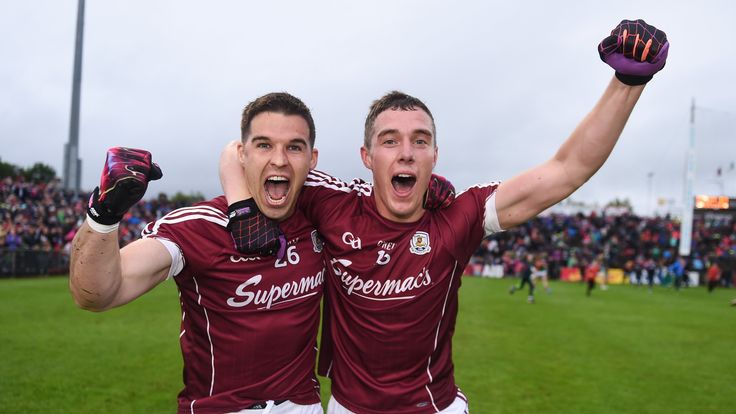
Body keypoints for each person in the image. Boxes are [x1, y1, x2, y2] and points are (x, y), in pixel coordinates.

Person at [222, 19, 669, 413]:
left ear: (435, 155)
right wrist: (242, 208)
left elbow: (565, 171)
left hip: (433, 407)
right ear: (366, 155)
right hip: (347, 407)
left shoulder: (460, 215)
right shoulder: (330, 201)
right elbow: (236, 152)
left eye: (420, 141)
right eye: (390, 140)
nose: (406, 153)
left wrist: (626, 83)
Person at [69, 93, 327, 414]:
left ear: (312, 158)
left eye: (294, 146)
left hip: (305, 406)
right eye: (263, 145)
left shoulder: (323, 218)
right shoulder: (196, 226)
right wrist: (105, 214)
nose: (279, 160)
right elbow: (96, 294)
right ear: (242, 154)